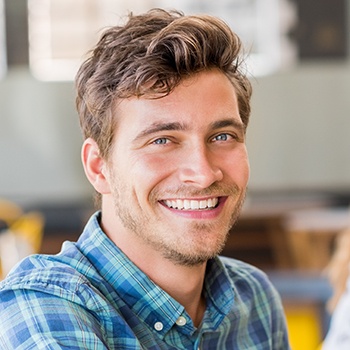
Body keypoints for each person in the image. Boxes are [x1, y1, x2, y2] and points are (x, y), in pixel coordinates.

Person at [0, 8, 290, 349]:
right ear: (98, 167)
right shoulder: (42, 307)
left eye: (222, 136)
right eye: (162, 140)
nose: (202, 173)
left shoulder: (253, 298)